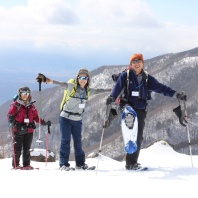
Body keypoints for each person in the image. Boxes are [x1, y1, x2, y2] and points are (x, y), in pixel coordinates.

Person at [105, 53, 187, 170]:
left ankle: (132, 162)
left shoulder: (147, 78)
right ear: (131, 64)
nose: (137, 64)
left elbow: (161, 88)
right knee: (132, 130)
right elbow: (117, 88)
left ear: (142, 63)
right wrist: (111, 98)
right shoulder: (125, 76)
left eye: (139, 61)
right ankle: (130, 162)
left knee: (138, 137)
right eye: (134, 62)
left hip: (141, 110)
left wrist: (176, 94)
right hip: (127, 107)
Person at [36, 69, 92, 171]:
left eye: (85, 78)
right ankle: (63, 164)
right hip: (65, 118)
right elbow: (59, 83)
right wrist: (45, 80)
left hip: (77, 119)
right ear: (77, 78)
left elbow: (101, 90)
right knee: (65, 141)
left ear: (88, 79)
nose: (83, 80)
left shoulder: (88, 91)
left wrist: (116, 90)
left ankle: (80, 164)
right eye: (80, 77)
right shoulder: (72, 87)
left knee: (78, 142)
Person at [7, 86, 50, 170]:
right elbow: (9, 116)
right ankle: (16, 165)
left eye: (27, 93)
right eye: (23, 93)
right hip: (18, 130)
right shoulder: (16, 105)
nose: (25, 95)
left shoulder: (31, 106)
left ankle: (26, 164)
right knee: (17, 148)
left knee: (27, 148)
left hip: (29, 130)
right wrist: (13, 122)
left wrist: (44, 122)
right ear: (20, 94)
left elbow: (36, 117)